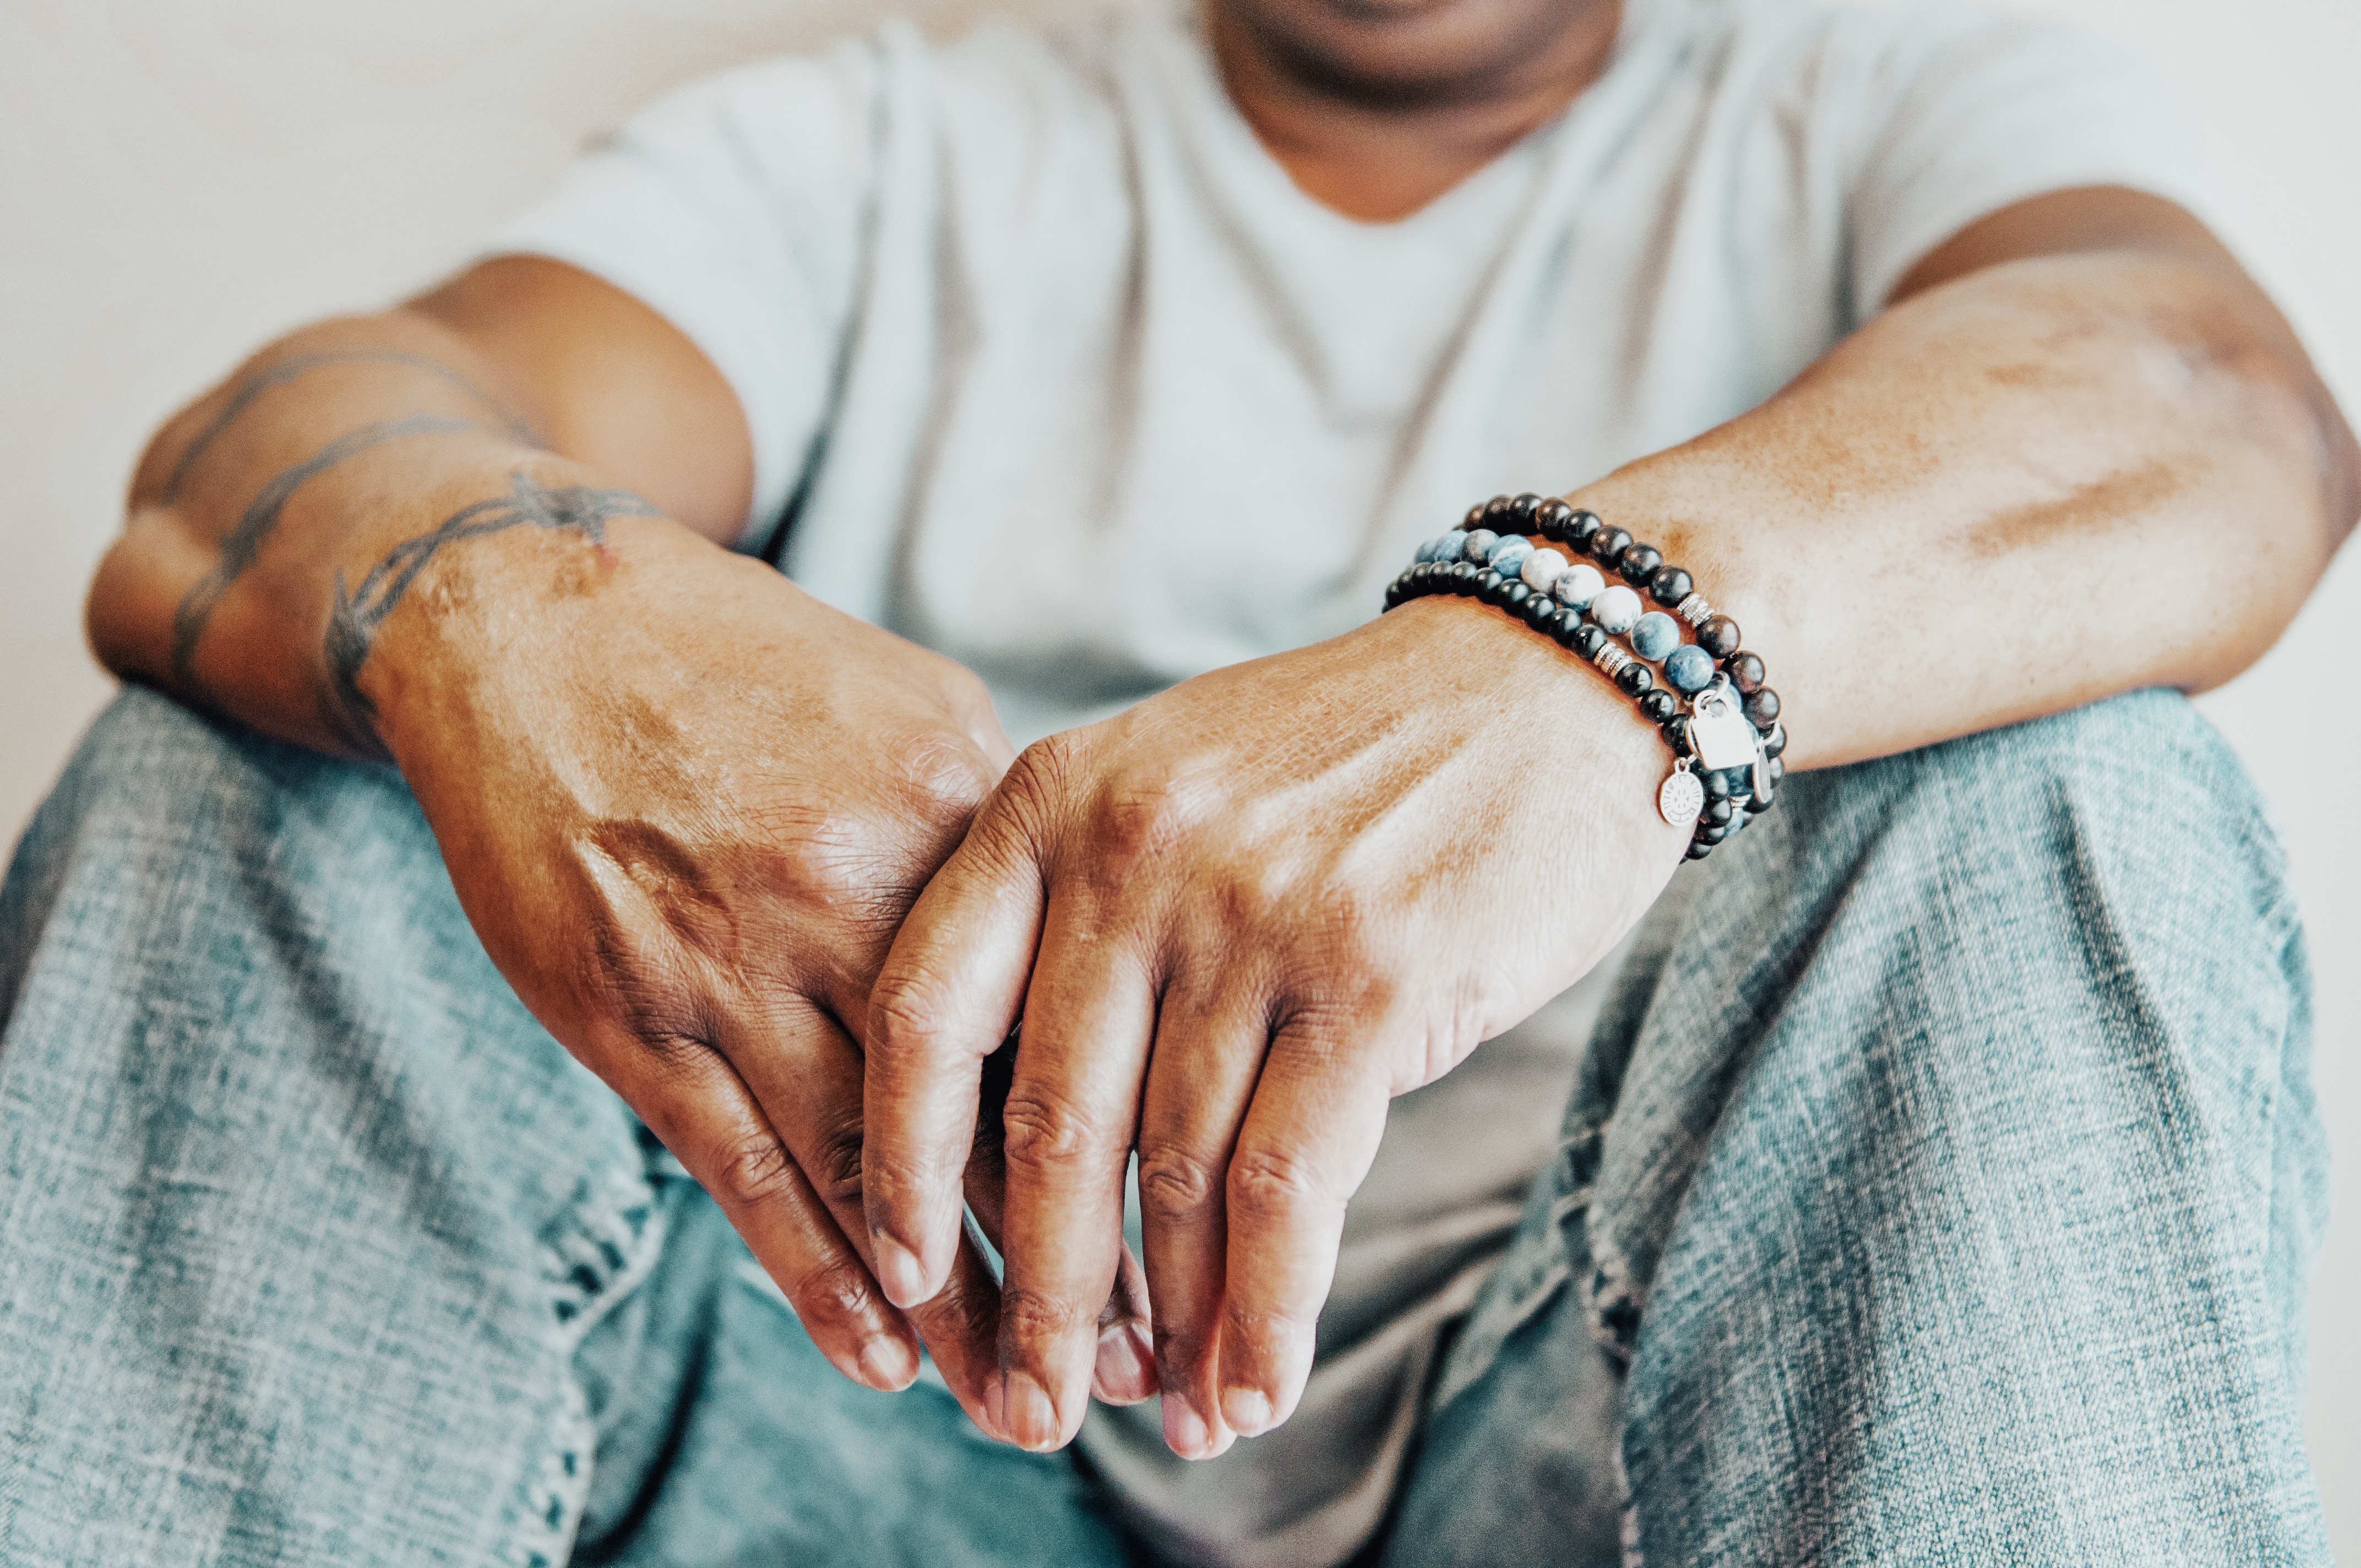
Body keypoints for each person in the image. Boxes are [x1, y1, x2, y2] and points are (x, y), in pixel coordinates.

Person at [1, 0, 2350, 1559]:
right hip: (891, 1415)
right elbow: (242, 472)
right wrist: (516, 613)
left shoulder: (1878, 85)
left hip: (1609, 1425)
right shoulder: (892, 140)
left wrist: (1582, 661)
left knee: (2054, 778)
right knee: (294, 744)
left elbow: (2206, 397)